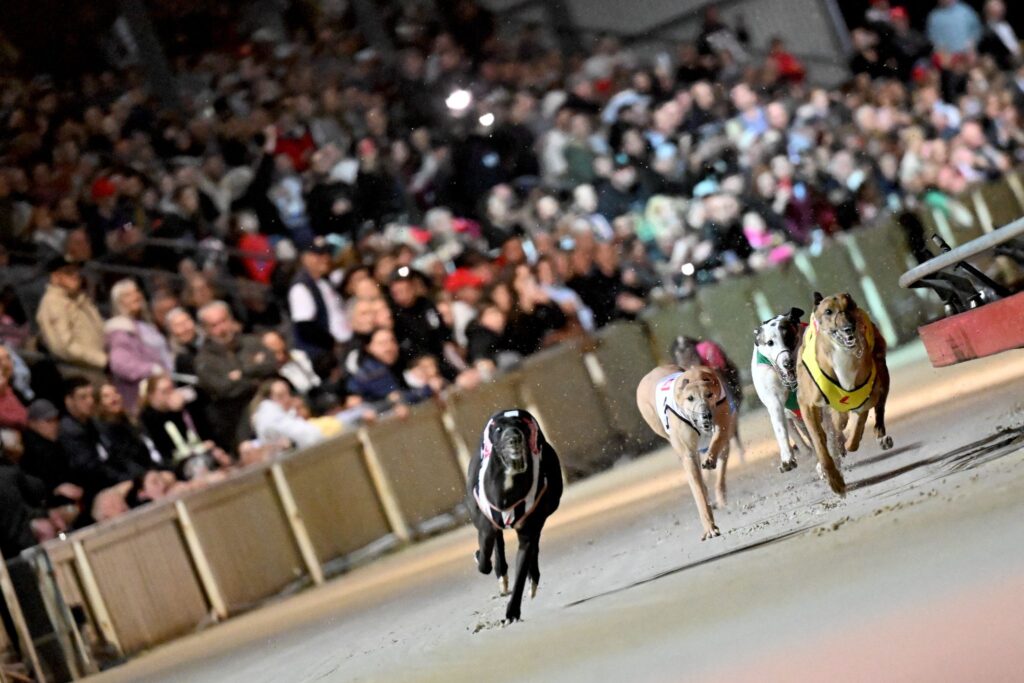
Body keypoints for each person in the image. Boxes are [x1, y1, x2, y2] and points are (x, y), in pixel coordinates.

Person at [194, 301, 278, 450]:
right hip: (240, 420)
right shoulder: (204, 361)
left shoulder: (251, 342)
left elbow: (271, 364)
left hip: (274, 403)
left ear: (231, 320)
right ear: (205, 330)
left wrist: (241, 374)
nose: (221, 329)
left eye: (223, 321)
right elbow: (224, 389)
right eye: (214, 326)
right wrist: (255, 373)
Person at [58, 377, 146, 515]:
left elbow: (117, 455)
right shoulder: (69, 431)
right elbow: (90, 469)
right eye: (83, 397)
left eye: (91, 396)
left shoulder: (93, 424)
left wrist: (137, 476)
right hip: (93, 493)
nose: (90, 401)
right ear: (69, 401)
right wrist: (127, 480)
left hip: (113, 481)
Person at [104, 279, 173, 413]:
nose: (136, 296)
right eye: (128, 295)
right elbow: (120, 364)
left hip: (166, 386)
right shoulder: (120, 330)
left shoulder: (144, 324)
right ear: (119, 302)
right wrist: (153, 369)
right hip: (145, 395)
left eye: (136, 292)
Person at [35, 256, 107, 381]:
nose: (76, 276)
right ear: (55, 277)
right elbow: (64, 347)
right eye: (68, 272)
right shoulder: (53, 303)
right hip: (78, 373)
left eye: (77, 271)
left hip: (98, 368)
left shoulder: (81, 298)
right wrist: (102, 360)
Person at [287, 237, 351, 376]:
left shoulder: (323, 281)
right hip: (327, 355)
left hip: (343, 346)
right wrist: (333, 344)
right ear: (305, 258)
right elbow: (305, 327)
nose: (325, 258)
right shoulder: (301, 287)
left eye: (327, 253)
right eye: (319, 254)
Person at [346, 328, 432, 411]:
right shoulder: (372, 372)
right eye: (382, 344)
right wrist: (427, 389)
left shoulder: (402, 362)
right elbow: (396, 398)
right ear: (369, 348)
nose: (389, 348)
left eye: (392, 341)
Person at [19, 399, 82, 512]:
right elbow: (29, 484)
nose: (55, 425)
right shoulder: (28, 450)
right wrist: (55, 489)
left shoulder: (55, 442)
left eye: (56, 420)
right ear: (33, 423)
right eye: (48, 421)